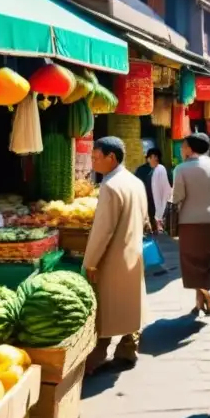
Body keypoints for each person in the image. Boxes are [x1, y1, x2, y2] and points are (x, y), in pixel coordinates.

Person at [84, 137, 149, 374]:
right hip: (132, 251)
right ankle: (128, 349)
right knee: (130, 304)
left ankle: (98, 356)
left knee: (108, 308)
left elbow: (103, 229)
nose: (92, 162)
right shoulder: (134, 181)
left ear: (111, 158)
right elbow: (144, 217)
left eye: (96, 157)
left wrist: (90, 262)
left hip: (113, 257)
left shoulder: (110, 186)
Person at [172, 133, 210, 316]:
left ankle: (203, 293)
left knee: (191, 261)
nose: (182, 150)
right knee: (207, 260)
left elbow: (176, 199)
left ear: (190, 149)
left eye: (183, 146)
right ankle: (199, 301)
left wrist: (170, 225)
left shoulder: (181, 169)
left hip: (188, 222)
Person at [135, 148, 172, 234]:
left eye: (157, 156)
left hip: (160, 200)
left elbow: (169, 184)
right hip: (146, 200)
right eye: (153, 156)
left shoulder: (163, 169)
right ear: (148, 158)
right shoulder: (142, 170)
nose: (156, 158)